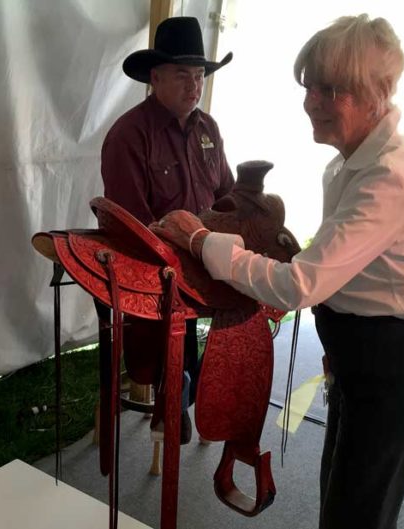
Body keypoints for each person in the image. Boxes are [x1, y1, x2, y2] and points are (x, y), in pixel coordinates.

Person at [150, 14, 404, 529]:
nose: (311, 101)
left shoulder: (386, 178)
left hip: (397, 363)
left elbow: (300, 285)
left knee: (356, 515)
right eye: (309, 84)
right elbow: (355, 273)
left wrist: (201, 240)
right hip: (364, 353)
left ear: (377, 93)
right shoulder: (348, 163)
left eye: (330, 88)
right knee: (343, 501)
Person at [100, 16, 235, 443]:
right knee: (168, 296)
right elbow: (131, 223)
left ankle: (209, 390)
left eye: (199, 76)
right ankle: (172, 389)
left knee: (249, 300)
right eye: (182, 76)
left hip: (205, 252)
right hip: (155, 260)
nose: (194, 86)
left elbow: (227, 196)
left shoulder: (208, 129)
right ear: (154, 78)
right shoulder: (129, 135)